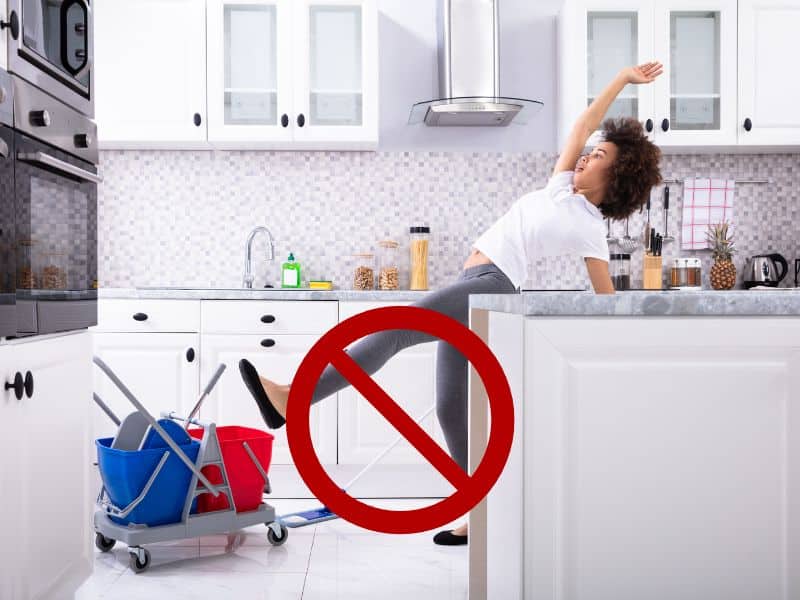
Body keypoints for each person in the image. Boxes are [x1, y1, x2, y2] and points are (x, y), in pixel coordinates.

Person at [240, 62, 664, 546]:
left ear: (618, 173)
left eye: (600, 154)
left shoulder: (590, 226)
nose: (588, 154)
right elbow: (584, 123)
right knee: (450, 407)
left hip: (493, 286)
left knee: (395, 332)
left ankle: (295, 397)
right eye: (591, 151)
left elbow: (604, 298)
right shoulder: (559, 186)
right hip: (476, 284)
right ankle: (480, 512)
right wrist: (622, 80)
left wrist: (624, 353)